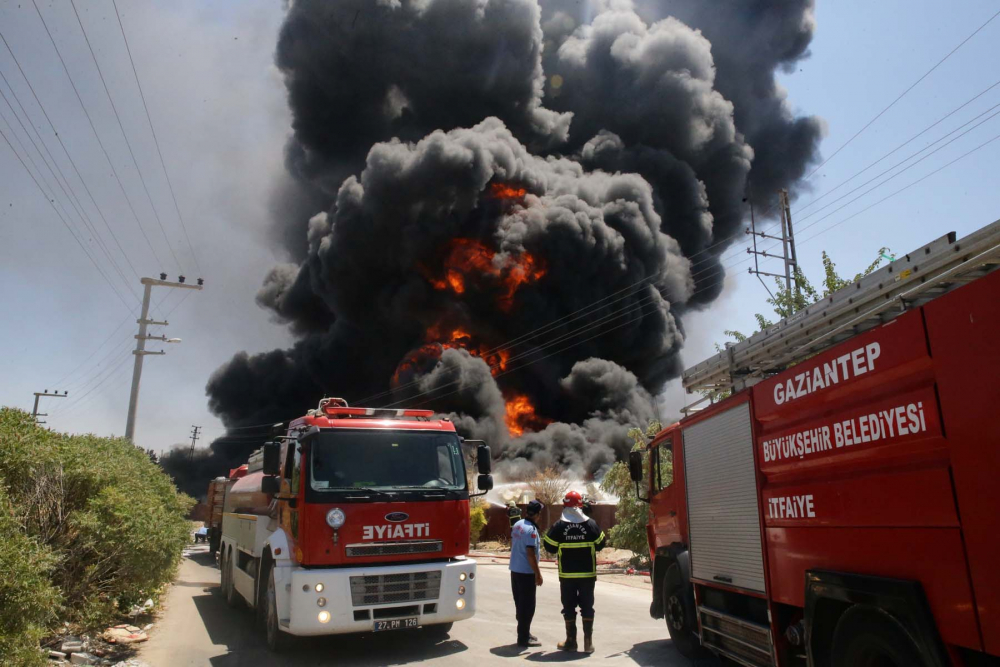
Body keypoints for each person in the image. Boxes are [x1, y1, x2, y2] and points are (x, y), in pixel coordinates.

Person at [543, 490, 606, 654]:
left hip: (567, 576)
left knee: (568, 607)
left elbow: (549, 546)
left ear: (565, 506)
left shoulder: (559, 526)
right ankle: (588, 644)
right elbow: (601, 543)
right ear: (581, 506)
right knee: (587, 607)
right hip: (587, 575)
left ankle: (571, 642)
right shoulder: (590, 524)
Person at [509, 500, 545, 648]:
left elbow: (512, 544)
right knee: (528, 606)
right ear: (537, 514)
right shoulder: (531, 530)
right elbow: (530, 554)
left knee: (520, 604)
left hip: (515, 570)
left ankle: (524, 633)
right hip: (526, 573)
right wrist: (538, 574)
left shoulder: (517, 525)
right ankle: (523, 638)